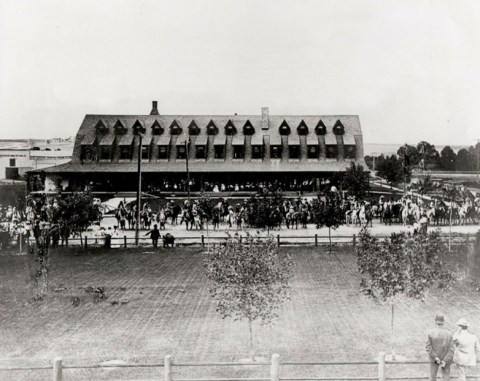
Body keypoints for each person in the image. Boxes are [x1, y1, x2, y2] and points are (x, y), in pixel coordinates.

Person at [426, 314, 454, 381]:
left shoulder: (431, 333)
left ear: (435, 321)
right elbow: (451, 349)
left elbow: (428, 347)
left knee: (432, 377)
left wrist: (436, 357)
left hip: (434, 359)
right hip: (445, 360)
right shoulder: (449, 334)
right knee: (446, 377)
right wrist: (445, 360)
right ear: (444, 322)